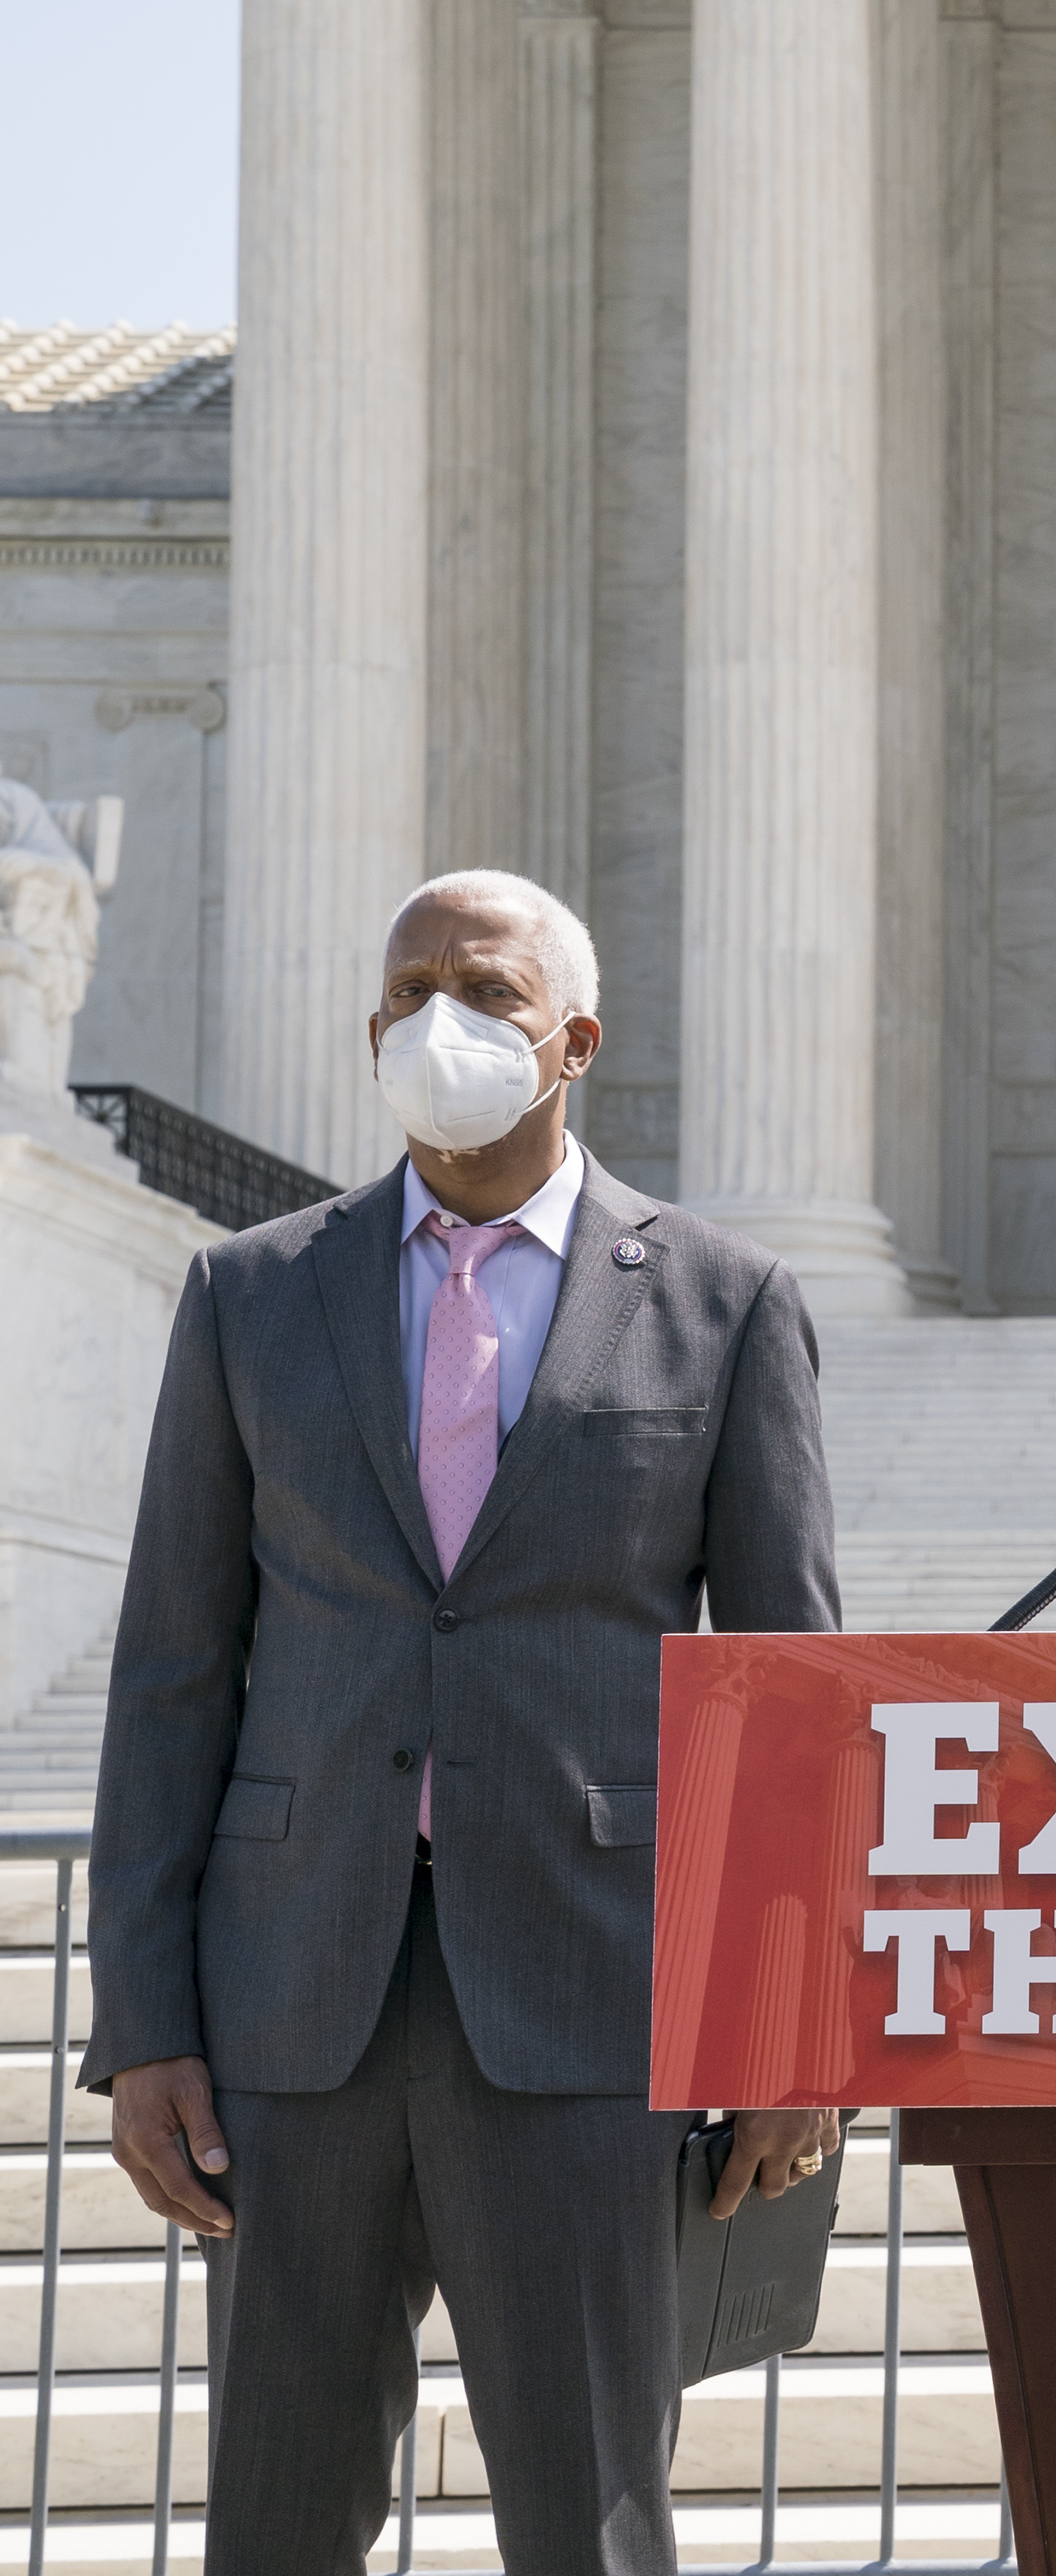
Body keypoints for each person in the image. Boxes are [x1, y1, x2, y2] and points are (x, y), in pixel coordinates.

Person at [85, 869, 846, 2576]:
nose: (441, 1018)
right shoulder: (253, 1293)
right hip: (294, 2003)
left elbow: (788, 1677)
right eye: (410, 986)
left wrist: (801, 2020)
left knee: (589, 2515)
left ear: (575, 1039)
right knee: (275, 2519)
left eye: (485, 988)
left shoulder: (725, 1305)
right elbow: (172, 1666)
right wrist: (142, 2016)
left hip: (588, 1992)